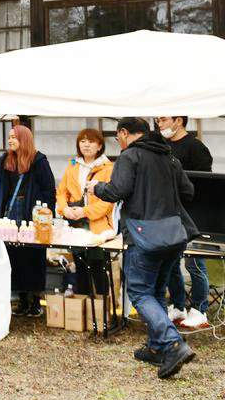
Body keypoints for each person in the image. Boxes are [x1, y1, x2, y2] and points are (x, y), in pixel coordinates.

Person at [90, 117, 198, 379]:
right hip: (173, 235)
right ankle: (156, 347)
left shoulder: (131, 156)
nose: (119, 142)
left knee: (139, 292)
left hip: (144, 234)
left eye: (118, 137)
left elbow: (118, 190)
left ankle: (172, 343)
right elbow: (189, 191)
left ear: (125, 133)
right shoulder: (169, 156)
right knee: (157, 291)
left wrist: (97, 187)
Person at [156, 116, 213, 331]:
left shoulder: (196, 148)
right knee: (169, 262)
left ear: (178, 120)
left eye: (163, 120)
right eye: (157, 120)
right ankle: (178, 305)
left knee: (195, 263)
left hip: (192, 213)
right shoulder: (162, 146)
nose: (159, 124)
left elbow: (205, 185)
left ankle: (200, 309)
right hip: (167, 213)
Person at [0, 124, 55, 318]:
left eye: (14, 137)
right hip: (11, 213)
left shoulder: (39, 161)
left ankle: (36, 300)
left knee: (34, 256)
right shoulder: (5, 160)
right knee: (13, 255)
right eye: (9, 137)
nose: (10, 140)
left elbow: (49, 190)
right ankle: (21, 299)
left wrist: (46, 216)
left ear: (25, 139)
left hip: (32, 214)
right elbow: (1, 188)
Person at [56, 128, 114, 296]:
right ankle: (84, 309)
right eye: (82, 141)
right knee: (80, 266)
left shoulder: (107, 168)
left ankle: (102, 309)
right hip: (76, 224)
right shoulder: (73, 166)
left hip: (98, 225)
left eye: (91, 141)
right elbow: (61, 192)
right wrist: (64, 209)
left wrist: (85, 211)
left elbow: (108, 201)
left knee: (98, 266)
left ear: (100, 145)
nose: (86, 145)